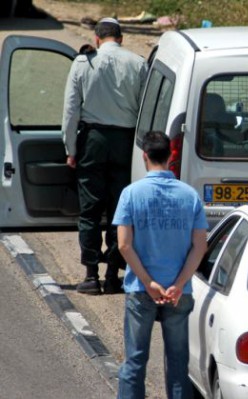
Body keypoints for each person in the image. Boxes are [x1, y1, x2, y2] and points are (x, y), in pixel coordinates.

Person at [113, 131, 208, 399]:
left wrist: (148, 282)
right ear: (171, 156)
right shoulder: (189, 196)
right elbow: (200, 245)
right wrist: (177, 285)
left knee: (134, 362)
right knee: (178, 364)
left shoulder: (131, 194)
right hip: (179, 294)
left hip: (141, 290)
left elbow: (123, 245)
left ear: (144, 156)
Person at [61, 17, 148, 295]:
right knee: (119, 210)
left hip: (93, 142)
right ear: (121, 38)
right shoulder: (138, 63)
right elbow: (146, 110)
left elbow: (71, 111)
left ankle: (90, 275)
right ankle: (112, 275)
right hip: (126, 142)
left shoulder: (83, 62)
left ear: (97, 39)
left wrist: (70, 150)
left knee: (90, 211)